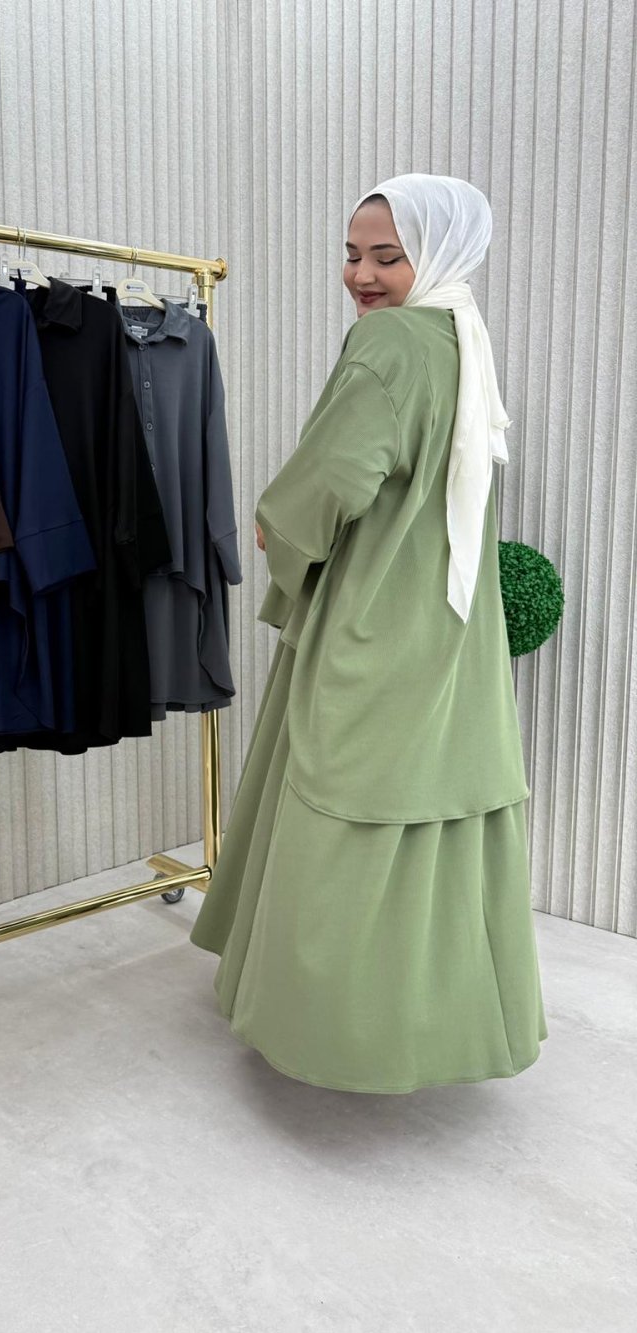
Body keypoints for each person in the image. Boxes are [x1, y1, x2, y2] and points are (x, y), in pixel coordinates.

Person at [190, 174, 546, 1094]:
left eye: (388, 256)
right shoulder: (463, 338)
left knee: (342, 805)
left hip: (377, 614)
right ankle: (437, 1022)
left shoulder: (389, 342)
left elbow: (334, 478)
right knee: (435, 800)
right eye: (352, 254)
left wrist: (275, 524)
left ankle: (328, 1030)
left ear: (439, 254)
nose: (361, 275)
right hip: (452, 628)